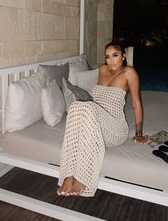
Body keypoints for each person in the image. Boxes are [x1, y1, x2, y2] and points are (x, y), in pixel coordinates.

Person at [57, 41, 147, 197]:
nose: (111, 61)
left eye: (115, 56)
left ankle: (83, 177)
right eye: (107, 57)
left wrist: (139, 132)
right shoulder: (103, 70)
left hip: (115, 129)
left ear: (123, 57)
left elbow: (136, 103)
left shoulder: (129, 72)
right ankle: (68, 174)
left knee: (87, 106)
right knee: (76, 107)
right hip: (94, 127)